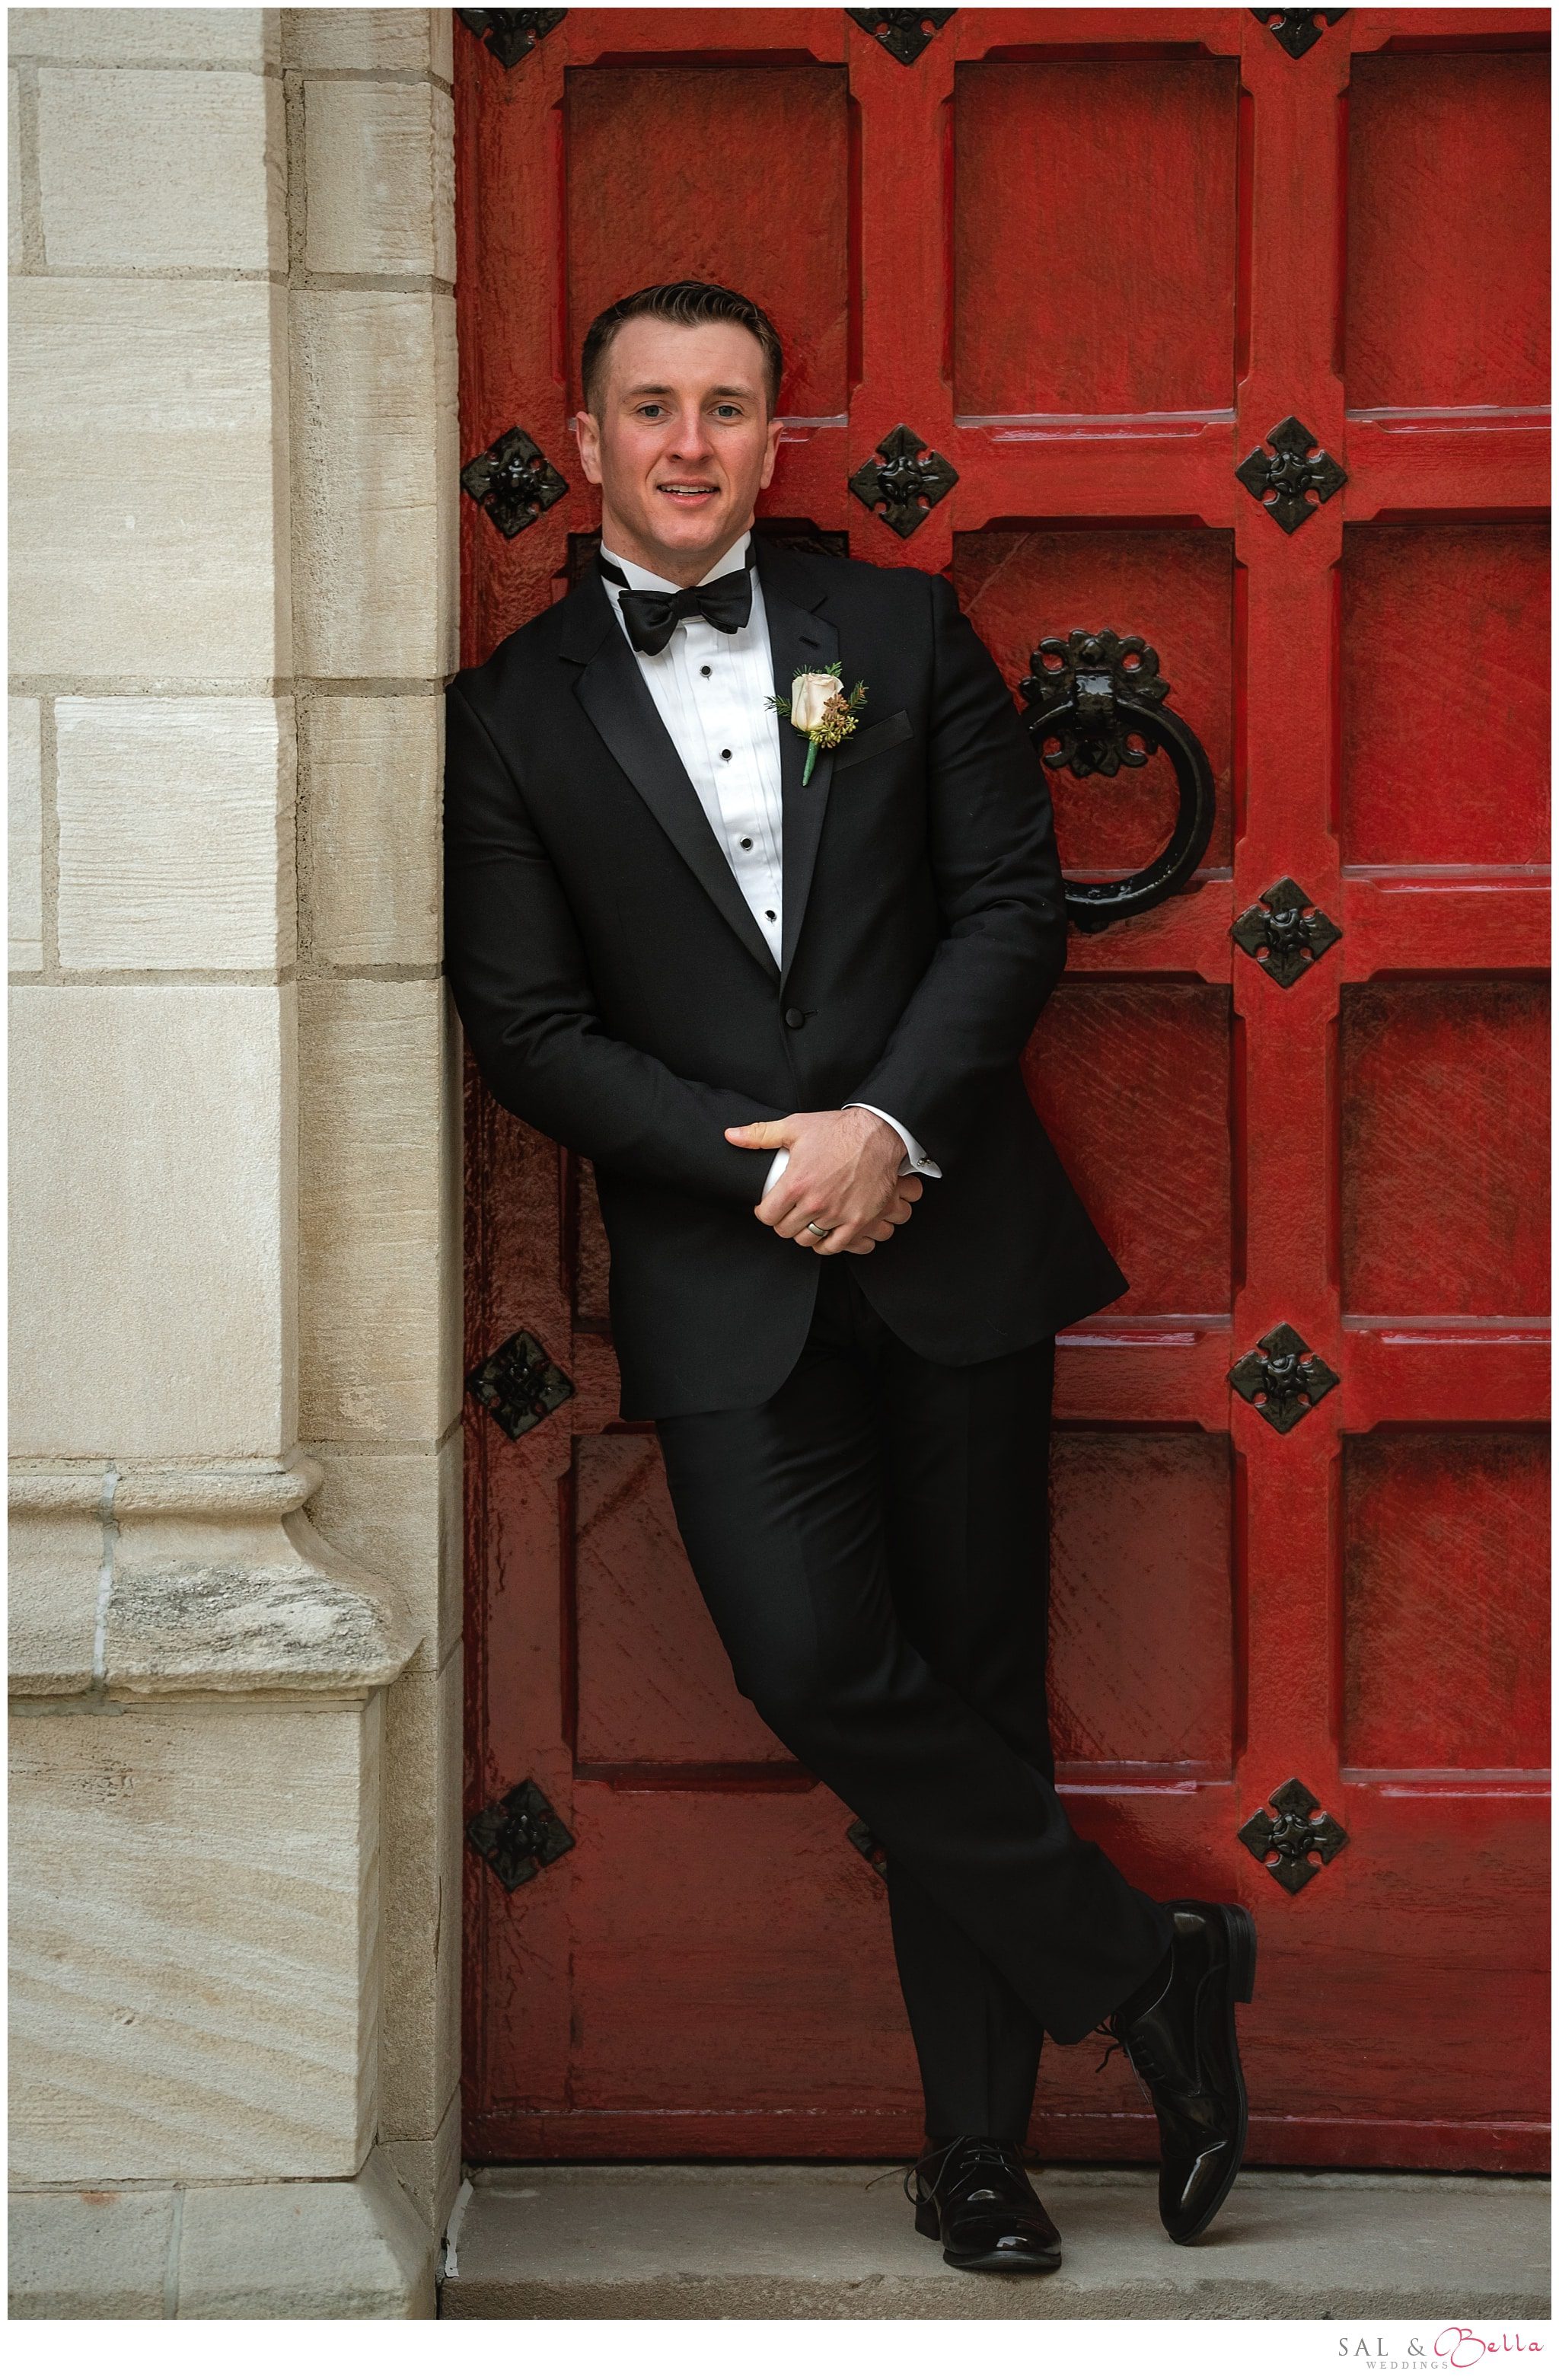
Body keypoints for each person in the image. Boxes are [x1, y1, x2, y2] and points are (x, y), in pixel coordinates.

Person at [442, 279, 1255, 2273]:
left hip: (947, 1232)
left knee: (978, 1690)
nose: (692, 444)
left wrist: (884, 1130)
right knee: (813, 1659)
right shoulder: (513, 712)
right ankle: (1146, 1964)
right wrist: (772, 1168)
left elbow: (1005, 917)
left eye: (728, 407)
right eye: (653, 408)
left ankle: (980, 2152)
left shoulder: (895, 633)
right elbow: (529, 1028)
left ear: (775, 435)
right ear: (587, 433)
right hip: (731, 1273)